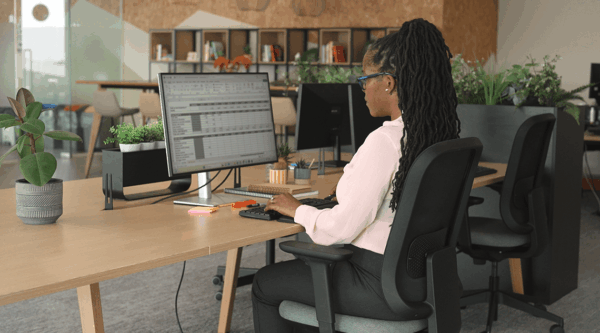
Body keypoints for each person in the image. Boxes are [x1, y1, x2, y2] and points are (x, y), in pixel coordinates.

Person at [252, 18, 462, 332]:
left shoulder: (386, 140)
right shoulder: (437, 137)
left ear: (388, 82)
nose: (362, 88)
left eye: (365, 79)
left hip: (376, 284)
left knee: (264, 283)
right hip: (418, 279)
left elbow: (340, 230)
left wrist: (298, 209)